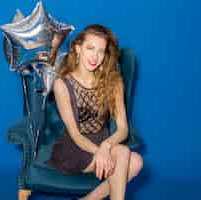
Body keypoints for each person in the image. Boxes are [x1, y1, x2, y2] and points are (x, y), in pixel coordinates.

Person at [45, 24, 143, 200]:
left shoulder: (114, 81)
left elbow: (123, 129)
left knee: (136, 162)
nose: (95, 56)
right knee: (123, 154)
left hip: (104, 141)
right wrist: (101, 151)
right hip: (74, 148)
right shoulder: (62, 84)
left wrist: (105, 146)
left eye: (101, 51)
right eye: (90, 48)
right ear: (78, 48)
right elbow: (75, 134)